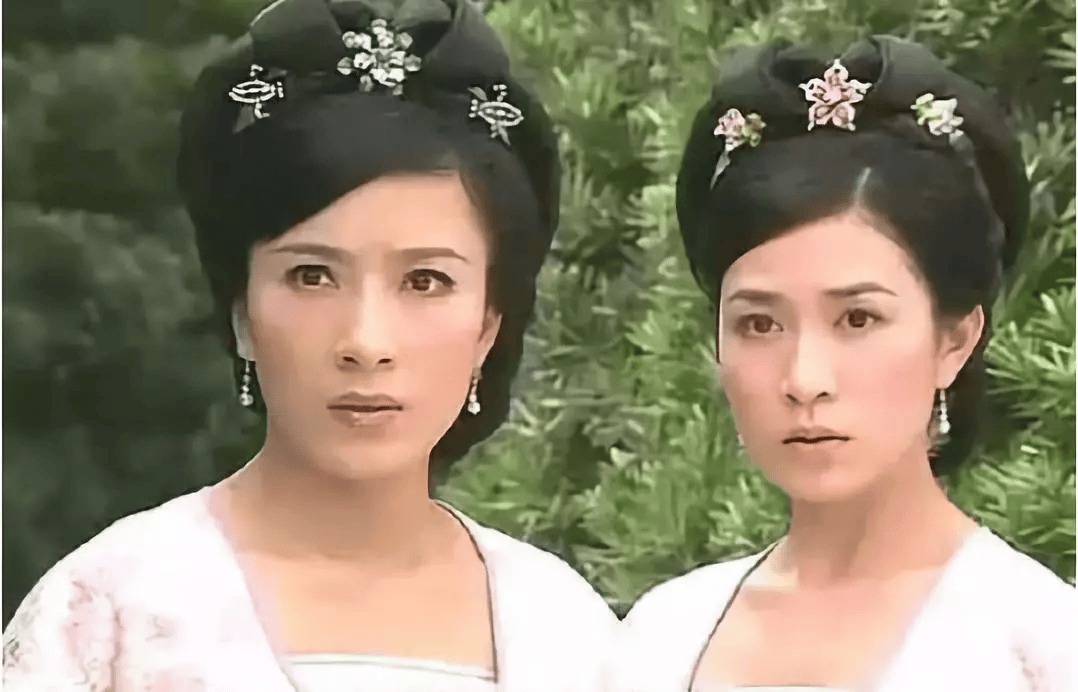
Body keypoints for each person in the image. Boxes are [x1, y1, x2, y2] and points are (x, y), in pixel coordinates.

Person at [2, 0, 616, 689]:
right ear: (241, 312)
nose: (366, 342)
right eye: (312, 276)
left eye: (425, 281)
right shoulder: (109, 613)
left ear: (488, 327)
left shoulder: (567, 630)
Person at [611, 36, 1076, 692]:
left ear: (955, 340)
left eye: (858, 319)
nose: (804, 380)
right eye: (759, 324)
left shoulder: (1039, 645)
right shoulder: (662, 635)